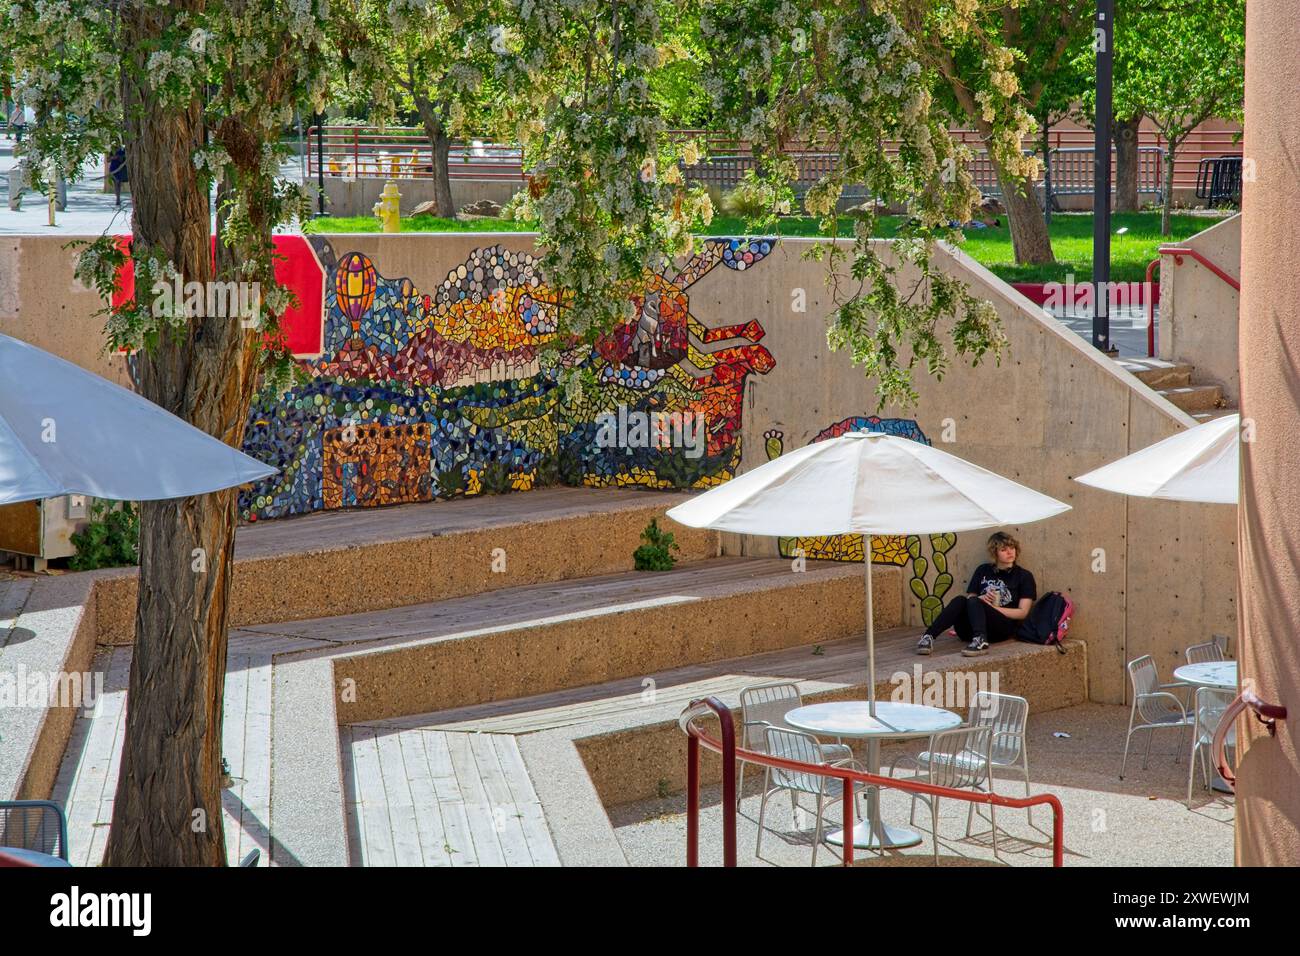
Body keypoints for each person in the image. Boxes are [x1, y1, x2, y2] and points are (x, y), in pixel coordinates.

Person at [915, 531, 1037, 658]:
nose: (1010, 552)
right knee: (960, 600)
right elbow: (971, 598)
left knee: (974, 601)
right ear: (994, 553)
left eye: (1012, 548)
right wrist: (981, 599)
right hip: (968, 631)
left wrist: (992, 608)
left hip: (1001, 629)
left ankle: (981, 641)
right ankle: (928, 637)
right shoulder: (983, 570)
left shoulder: (1023, 576)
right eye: (1003, 549)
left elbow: (1022, 612)